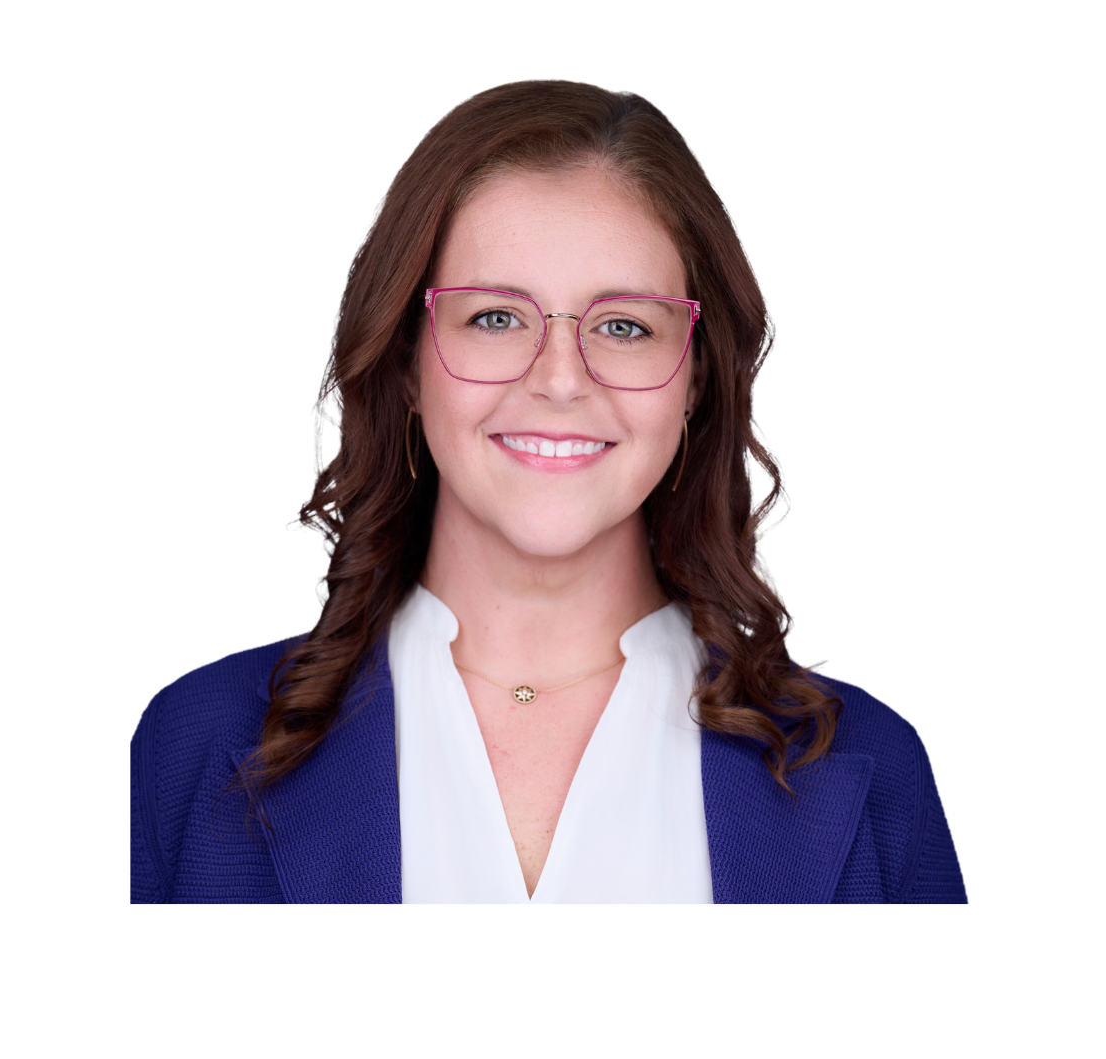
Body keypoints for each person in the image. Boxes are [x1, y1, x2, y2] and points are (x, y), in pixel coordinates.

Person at [130, 80, 969, 913]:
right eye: (496, 317)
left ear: (695, 378)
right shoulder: (194, 745)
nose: (561, 380)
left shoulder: (870, 769)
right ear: (407, 362)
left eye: (625, 325)